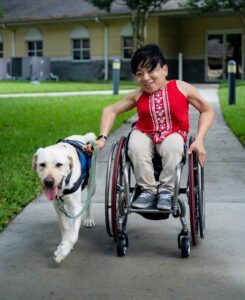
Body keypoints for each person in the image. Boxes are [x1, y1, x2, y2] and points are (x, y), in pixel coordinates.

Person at [87, 44, 214, 211]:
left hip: (173, 132)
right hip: (144, 132)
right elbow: (110, 110)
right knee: (135, 146)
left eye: (151, 70)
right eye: (139, 74)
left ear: (165, 70)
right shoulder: (138, 94)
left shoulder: (181, 87)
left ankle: (167, 191)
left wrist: (199, 140)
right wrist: (102, 138)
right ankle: (147, 191)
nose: (145, 78)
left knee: (174, 146)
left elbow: (207, 110)